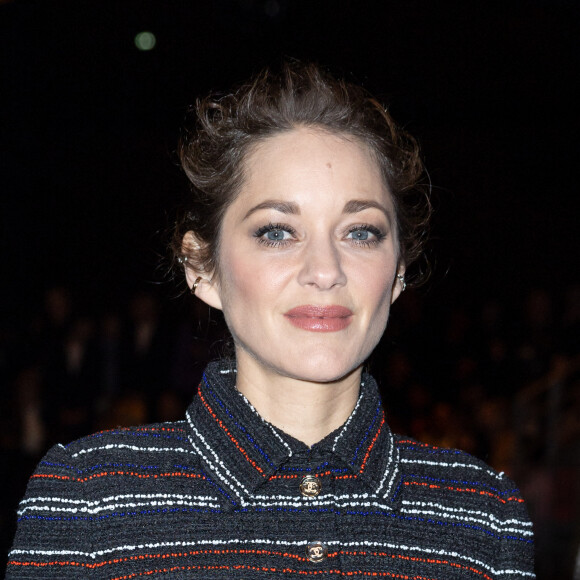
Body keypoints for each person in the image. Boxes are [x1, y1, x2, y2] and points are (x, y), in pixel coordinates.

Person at [7, 62, 535, 578]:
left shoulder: (486, 517)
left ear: (398, 272)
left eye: (360, 232)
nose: (325, 271)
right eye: (277, 232)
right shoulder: (87, 502)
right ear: (202, 268)